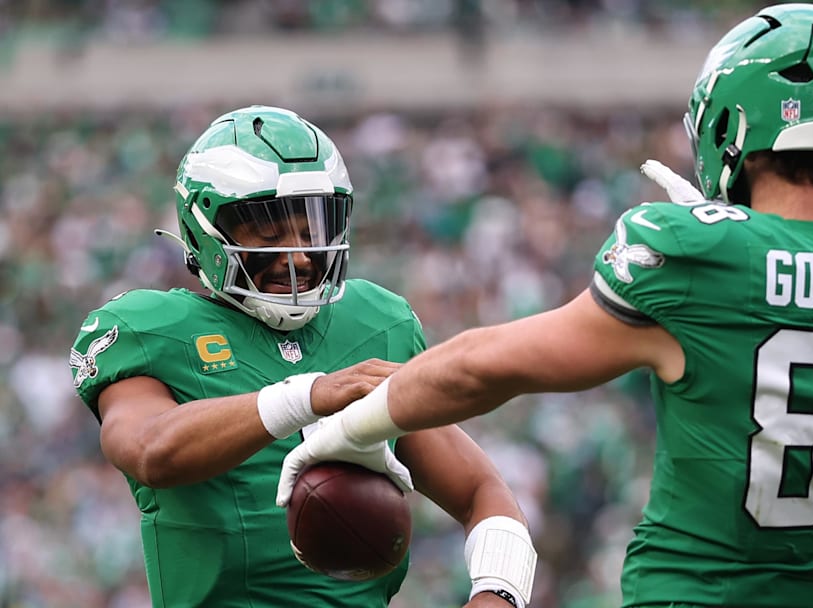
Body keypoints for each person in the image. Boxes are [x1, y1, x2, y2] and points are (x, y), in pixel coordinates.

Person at [277, 5, 813, 608]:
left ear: (731, 126)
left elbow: (480, 369)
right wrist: (751, 248)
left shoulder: (699, 260)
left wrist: (355, 424)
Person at [69, 105, 536, 608]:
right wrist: (306, 396)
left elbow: (482, 491)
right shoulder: (152, 328)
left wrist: (497, 594)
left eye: (311, 230)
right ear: (204, 229)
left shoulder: (378, 322)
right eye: (269, 236)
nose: (299, 257)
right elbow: (148, 450)